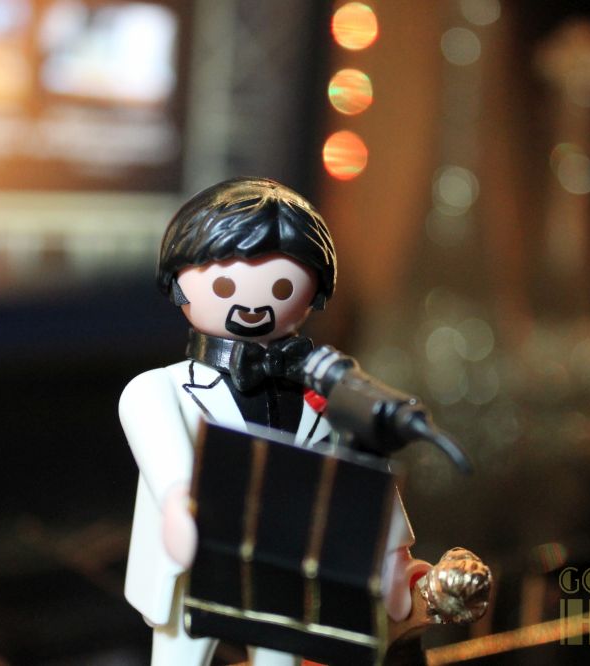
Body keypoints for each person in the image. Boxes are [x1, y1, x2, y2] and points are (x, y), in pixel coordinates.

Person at [119, 177, 430, 666]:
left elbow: (361, 470)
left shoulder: (322, 390)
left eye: (282, 287)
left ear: (315, 292)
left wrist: (392, 554)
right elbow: (166, 462)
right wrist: (180, 507)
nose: (251, 305)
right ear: (177, 282)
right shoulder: (158, 388)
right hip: (193, 566)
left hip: (284, 565)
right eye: (224, 286)